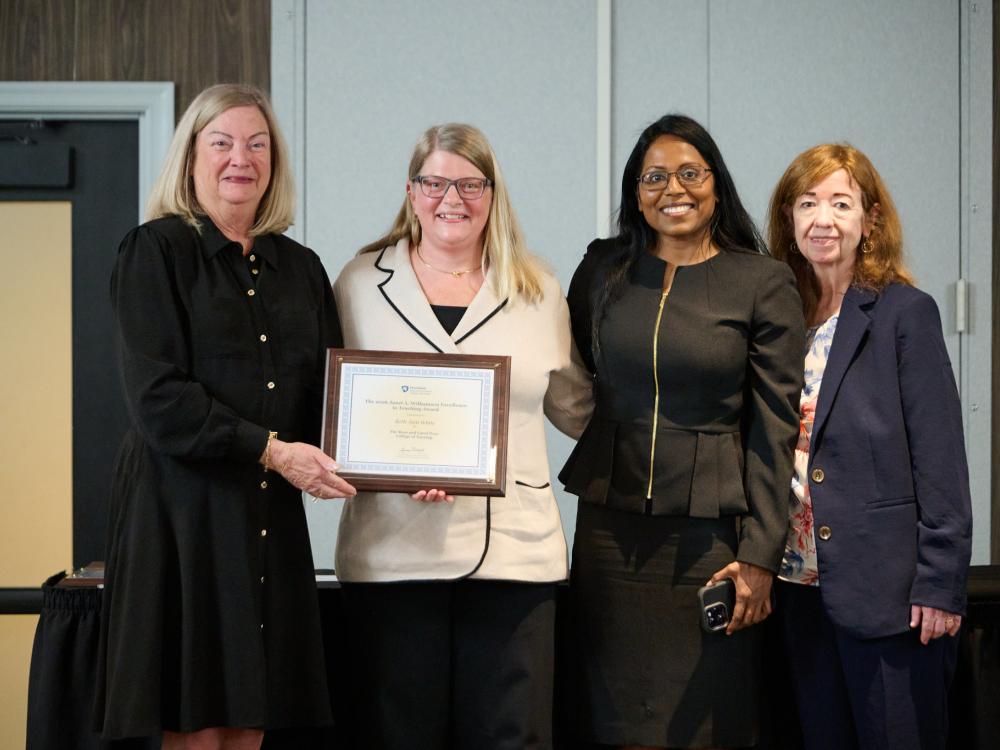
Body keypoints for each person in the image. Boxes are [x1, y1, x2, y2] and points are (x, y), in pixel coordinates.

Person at [94, 84, 356, 749]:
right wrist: (272, 450)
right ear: (190, 159)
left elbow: (334, 398)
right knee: (194, 723)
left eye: (257, 144)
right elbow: (160, 400)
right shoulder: (154, 252)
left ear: (274, 162)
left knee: (251, 720)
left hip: (267, 520)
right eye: (222, 142)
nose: (241, 158)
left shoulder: (300, 269)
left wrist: (406, 467)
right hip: (181, 519)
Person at [332, 123, 593, 750]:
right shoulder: (360, 283)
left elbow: (577, 408)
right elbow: (331, 405)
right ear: (411, 190)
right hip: (392, 553)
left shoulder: (537, 288)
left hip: (514, 553)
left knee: (514, 737)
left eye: (471, 184)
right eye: (435, 182)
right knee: (400, 736)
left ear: (493, 193)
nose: (453, 198)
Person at [560, 113, 805, 749]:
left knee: (707, 724)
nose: (674, 188)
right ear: (635, 194)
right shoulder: (601, 270)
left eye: (690, 173)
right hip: (609, 533)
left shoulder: (762, 281)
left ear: (716, 185)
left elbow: (776, 430)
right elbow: (570, 374)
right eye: (655, 177)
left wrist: (759, 555)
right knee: (615, 721)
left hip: (713, 538)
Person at [767, 143, 973, 749]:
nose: (821, 219)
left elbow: (941, 461)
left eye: (839, 202)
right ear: (789, 219)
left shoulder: (905, 313)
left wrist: (940, 584)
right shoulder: (782, 319)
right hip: (799, 588)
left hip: (892, 599)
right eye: (806, 204)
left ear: (869, 219)